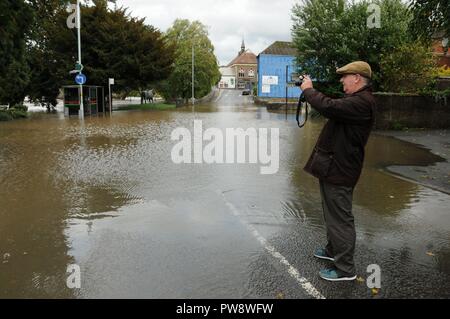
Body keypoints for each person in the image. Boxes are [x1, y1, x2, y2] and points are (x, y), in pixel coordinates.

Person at [300, 61, 376, 282]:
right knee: (332, 214)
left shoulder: (362, 102)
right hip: (334, 167)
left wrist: (309, 90)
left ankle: (345, 269)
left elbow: (329, 107)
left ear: (357, 79)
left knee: (340, 219)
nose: (341, 80)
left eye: (345, 76)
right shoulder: (356, 100)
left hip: (340, 169)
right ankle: (334, 251)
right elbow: (332, 107)